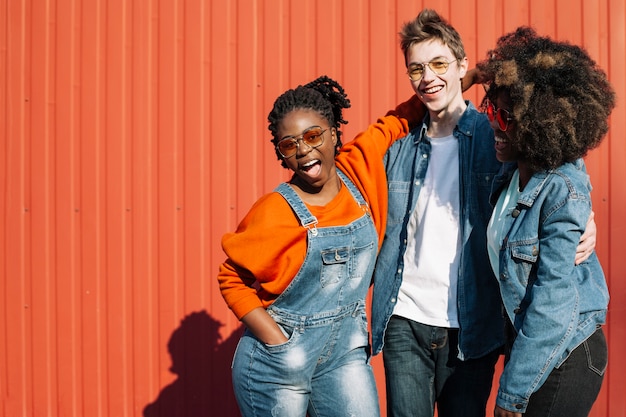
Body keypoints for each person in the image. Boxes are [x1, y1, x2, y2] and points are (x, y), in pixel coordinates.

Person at [370, 9, 597, 417]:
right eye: (416, 68)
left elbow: (557, 166)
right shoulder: (397, 147)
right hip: (404, 315)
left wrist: (587, 217)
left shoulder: (497, 134)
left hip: (473, 320)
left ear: (462, 65)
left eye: (439, 63)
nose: (427, 77)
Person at [216, 75, 423, 417]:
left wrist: (465, 78)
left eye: (313, 136)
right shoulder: (275, 210)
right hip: (279, 365)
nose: (304, 151)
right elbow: (231, 278)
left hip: (345, 355)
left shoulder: (358, 170)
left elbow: (398, 119)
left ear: (334, 133)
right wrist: (278, 343)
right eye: (289, 144)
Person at [477, 27, 614, 417]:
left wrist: (511, 393)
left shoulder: (560, 190)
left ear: (541, 124)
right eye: (492, 110)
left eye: (506, 116)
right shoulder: (511, 175)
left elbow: (553, 303)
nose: (495, 125)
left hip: (566, 352)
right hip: (532, 348)